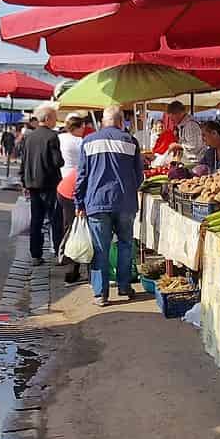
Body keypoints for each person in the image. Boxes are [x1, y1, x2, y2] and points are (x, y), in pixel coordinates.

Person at [76, 105, 144, 307]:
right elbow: (139, 175)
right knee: (125, 245)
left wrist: (79, 202)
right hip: (125, 202)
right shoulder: (130, 141)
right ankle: (124, 286)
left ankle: (101, 294)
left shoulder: (88, 142)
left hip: (97, 202)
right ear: (121, 121)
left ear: (103, 121)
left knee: (100, 248)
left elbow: (82, 176)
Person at [20, 103, 65, 266]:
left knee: (36, 220)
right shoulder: (52, 137)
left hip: (32, 183)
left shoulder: (29, 137)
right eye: (54, 118)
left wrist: (23, 181)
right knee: (55, 219)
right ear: (47, 118)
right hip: (49, 183)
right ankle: (59, 252)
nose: (55, 121)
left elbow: (23, 162)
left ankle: (35, 254)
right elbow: (58, 161)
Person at [165, 101, 203, 166]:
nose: (171, 120)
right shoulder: (183, 125)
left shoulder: (190, 125)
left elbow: (194, 145)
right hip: (188, 161)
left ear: (179, 113)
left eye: (172, 118)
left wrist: (177, 146)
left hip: (195, 162)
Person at [58, 113, 86, 179]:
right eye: (82, 127)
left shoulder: (59, 137)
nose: (83, 130)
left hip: (61, 173)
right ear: (76, 128)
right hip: (75, 175)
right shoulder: (80, 141)